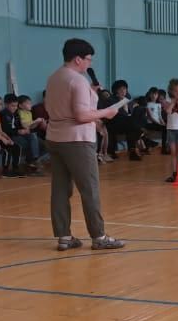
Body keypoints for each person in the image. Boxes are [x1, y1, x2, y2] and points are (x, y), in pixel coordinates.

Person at [44, 38, 124, 251]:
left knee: (60, 189)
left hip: (55, 137)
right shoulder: (77, 81)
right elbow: (80, 115)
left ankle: (64, 236)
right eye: (88, 59)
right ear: (78, 59)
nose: (90, 63)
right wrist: (107, 112)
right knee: (89, 189)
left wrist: (92, 94)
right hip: (77, 140)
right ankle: (99, 235)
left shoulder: (54, 77)